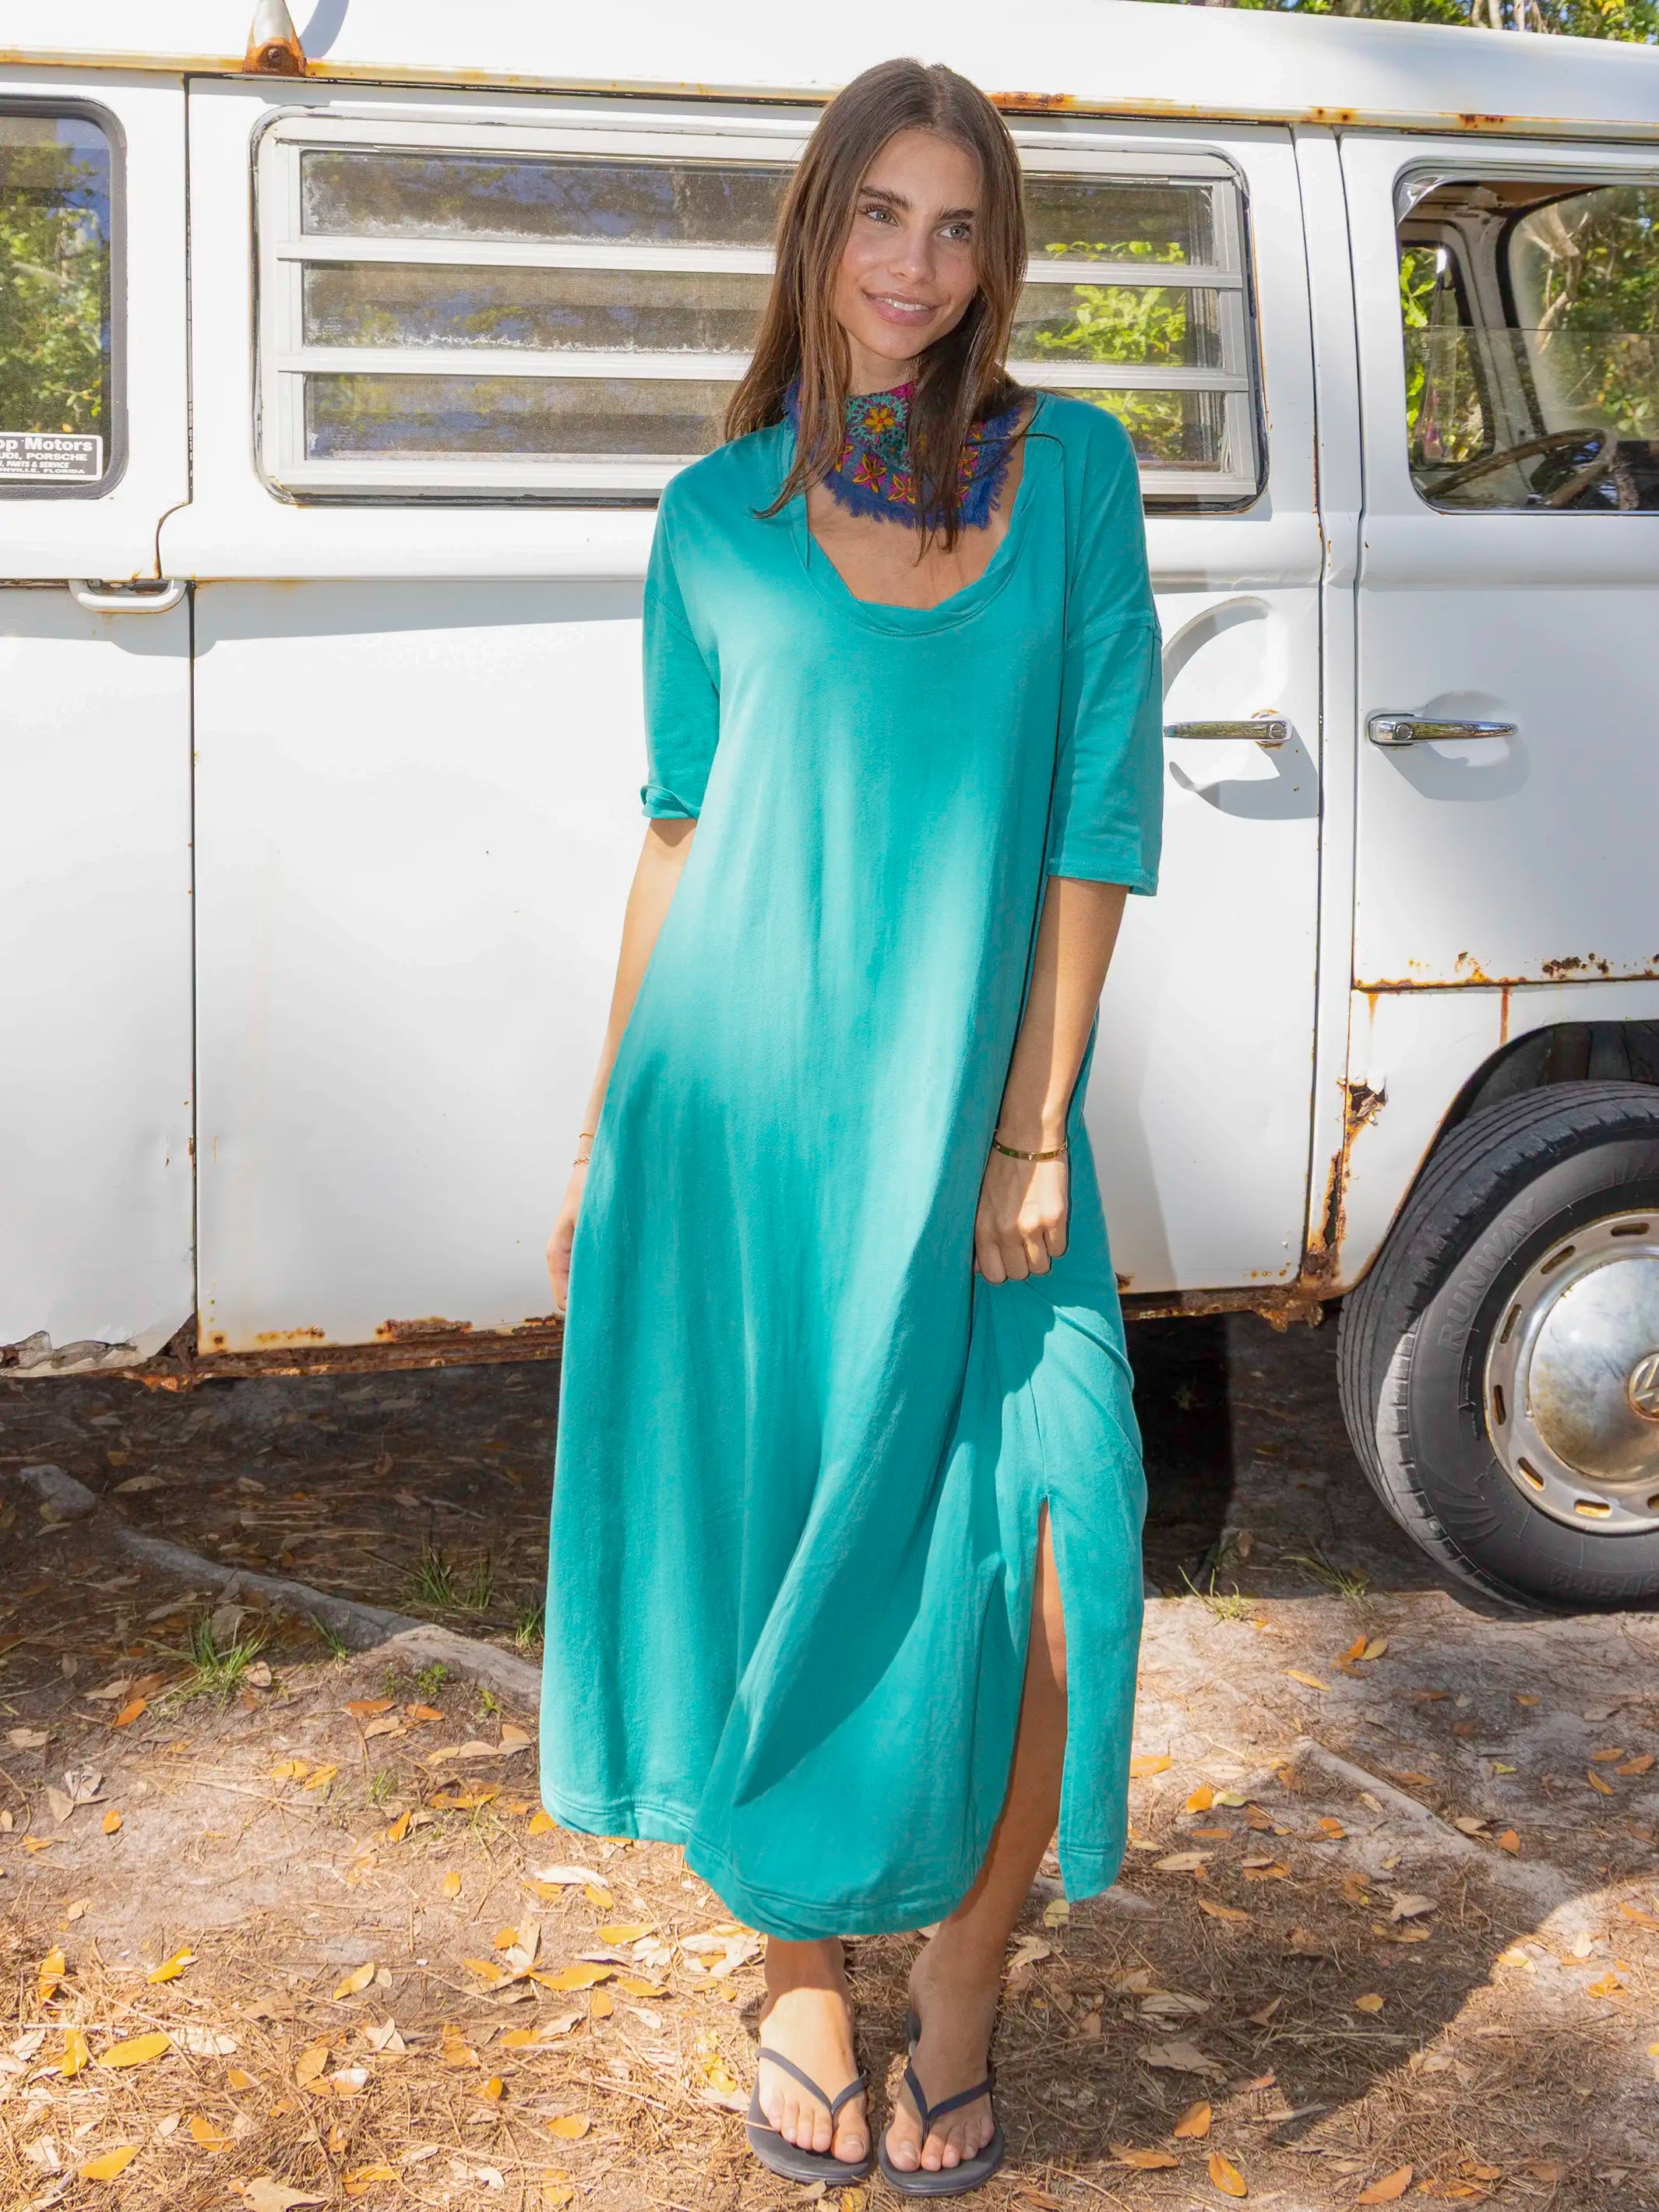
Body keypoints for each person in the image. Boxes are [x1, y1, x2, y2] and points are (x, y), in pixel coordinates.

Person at [541, 55, 1162, 2198]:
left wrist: (1031, 1124)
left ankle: (960, 1996)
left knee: (1058, 1566)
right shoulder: (713, 515)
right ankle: (800, 1972)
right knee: (765, 1544)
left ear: (997, 255)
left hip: (987, 1145)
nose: (917, 262)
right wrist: (604, 1139)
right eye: (880, 214)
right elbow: (679, 829)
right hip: (740, 1133)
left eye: (957, 224)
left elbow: (1096, 808)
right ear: (815, 230)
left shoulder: (1069, 474)